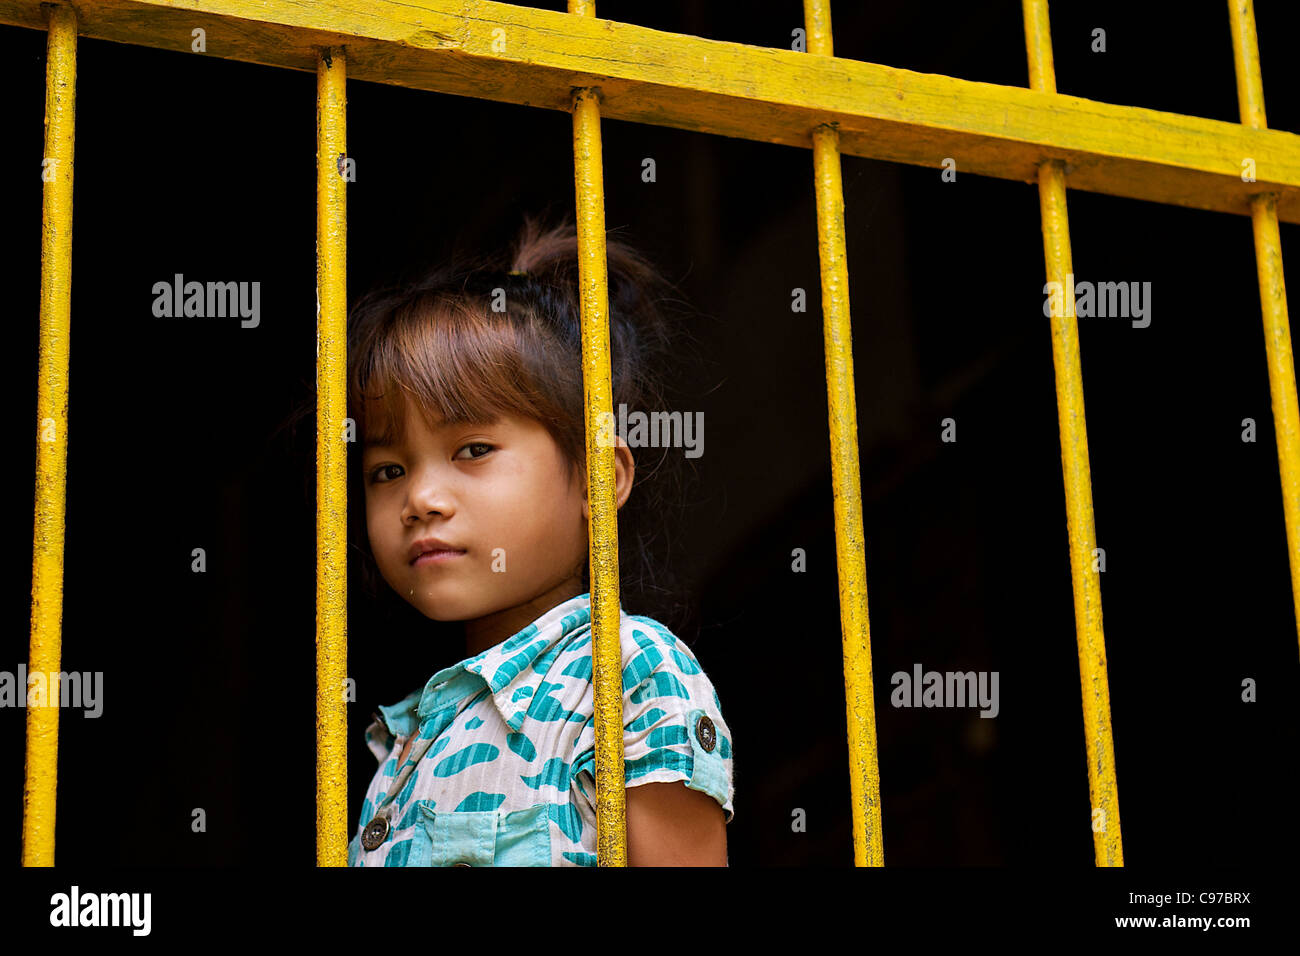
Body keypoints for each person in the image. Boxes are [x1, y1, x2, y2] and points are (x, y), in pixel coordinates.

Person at [344, 214, 734, 866]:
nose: (419, 500)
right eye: (389, 470)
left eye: (471, 449)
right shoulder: (402, 746)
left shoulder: (623, 671)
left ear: (596, 477)